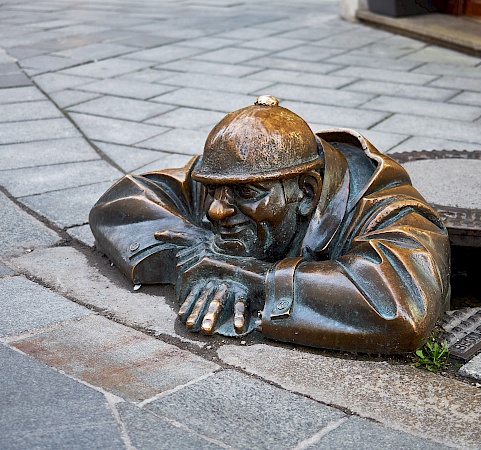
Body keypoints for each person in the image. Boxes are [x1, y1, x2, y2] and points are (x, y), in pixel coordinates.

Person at [89, 96, 450, 354]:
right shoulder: (229, 175)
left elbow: (401, 308)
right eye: (213, 191)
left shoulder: (387, 210)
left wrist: (257, 280)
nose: (216, 210)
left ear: (306, 192)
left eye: (247, 193)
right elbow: (120, 202)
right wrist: (189, 254)